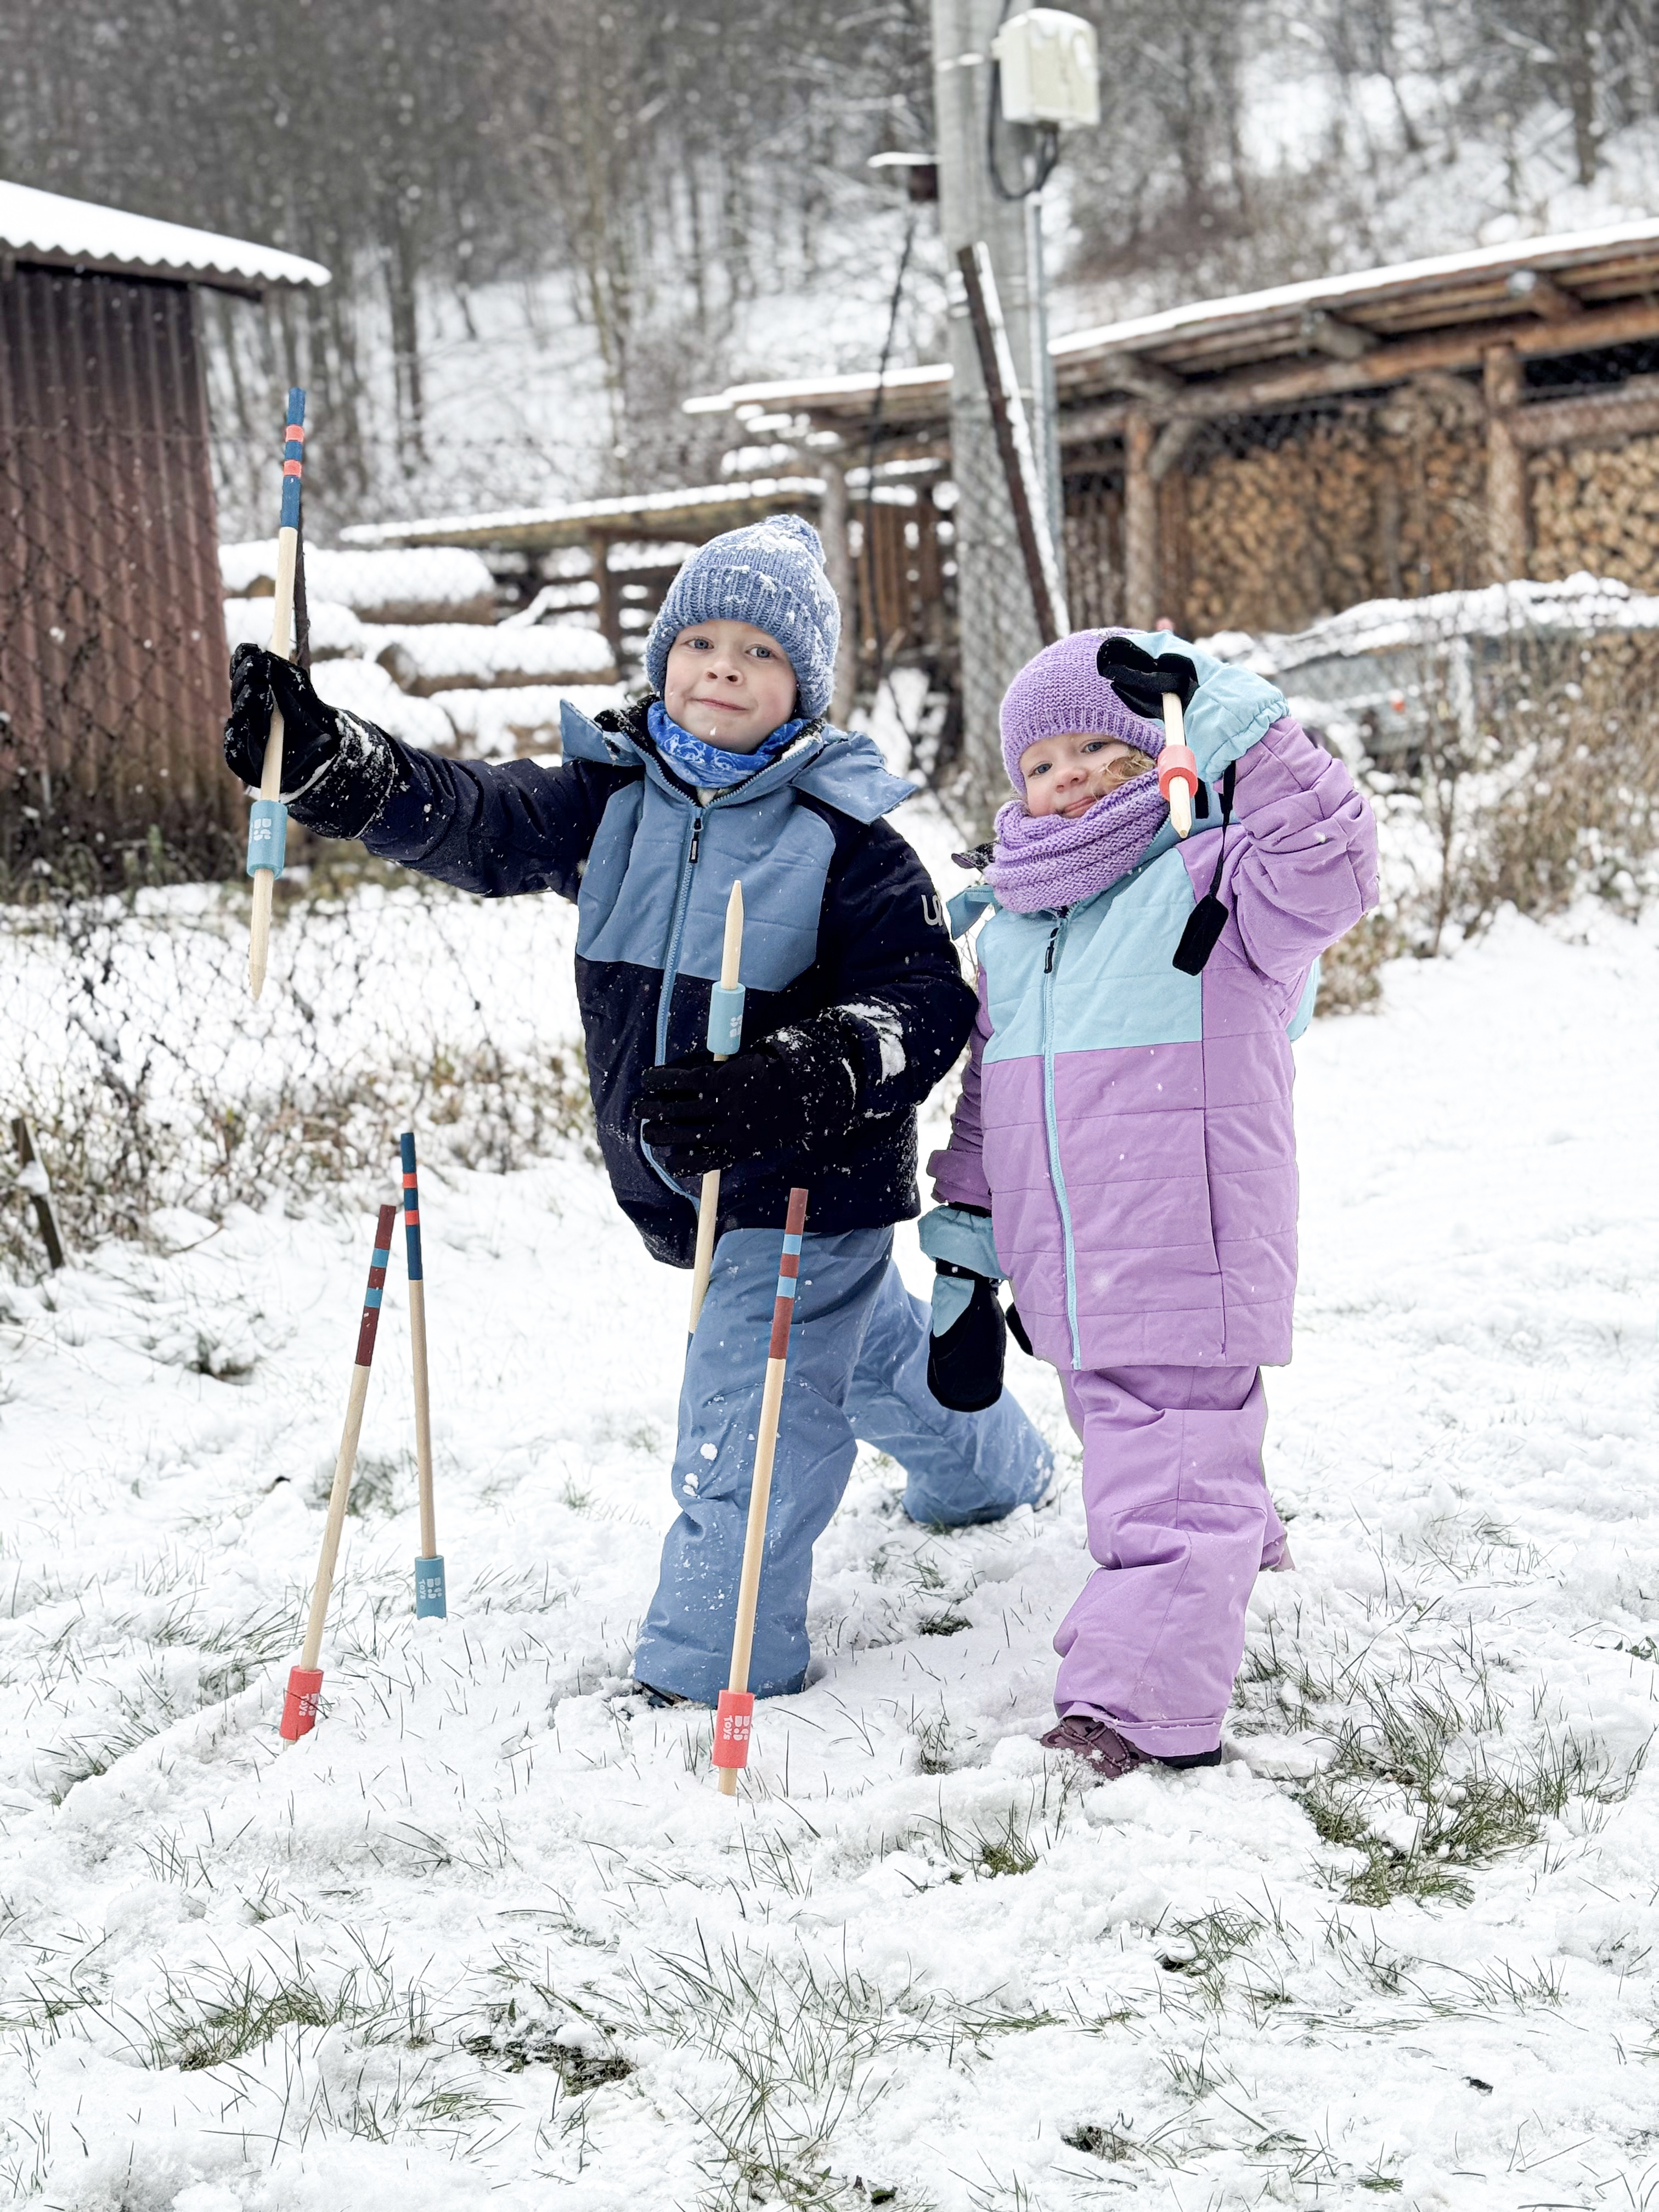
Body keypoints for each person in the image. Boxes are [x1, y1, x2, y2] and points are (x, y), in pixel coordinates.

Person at [223, 515, 1051, 1703]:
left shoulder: (851, 842)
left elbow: (919, 1004)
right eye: (702, 639)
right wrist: (329, 763)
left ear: (804, 690)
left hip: (811, 1184)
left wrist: (804, 1072)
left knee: (751, 1416)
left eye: (761, 654)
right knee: (856, 1349)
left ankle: (709, 1666)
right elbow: (471, 815)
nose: (726, 666)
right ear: (662, 657)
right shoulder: (608, 802)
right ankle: (987, 1469)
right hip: (690, 1185)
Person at [920, 628, 1378, 1781]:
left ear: (1159, 754)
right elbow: (989, 1103)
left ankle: (1132, 1708)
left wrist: (1233, 717)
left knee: (1165, 1478)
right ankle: (1241, 1543)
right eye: (1042, 761)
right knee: (1163, 1454)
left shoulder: (1220, 881)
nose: (1067, 776)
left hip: (1188, 1243)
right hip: (1067, 1262)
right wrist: (968, 1255)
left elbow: (1337, 865)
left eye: (1101, 751)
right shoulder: (1015, 926)